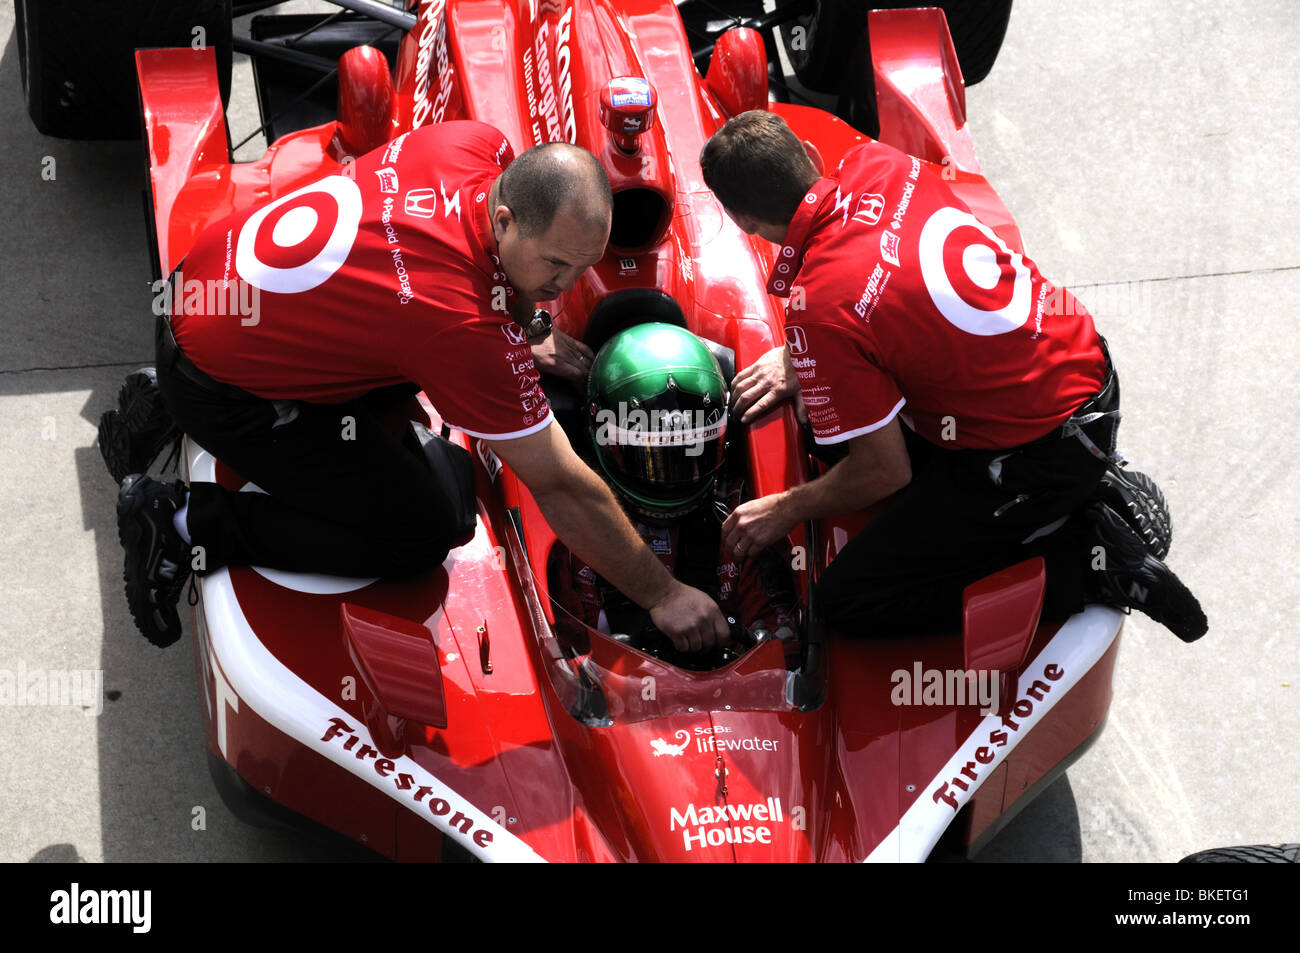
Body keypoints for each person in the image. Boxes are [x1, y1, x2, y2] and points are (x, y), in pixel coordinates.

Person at [114, 120, 728, 654]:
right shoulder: (460, 327)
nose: (564, 289)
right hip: (219, 389)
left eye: (581, 268)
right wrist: (662, 593)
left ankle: (168, 398)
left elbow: (407, 271)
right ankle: (181, 519)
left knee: (409, 390)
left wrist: (516, 314)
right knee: (426, 528)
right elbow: (560, 484)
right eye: (554, 265)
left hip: (200, 288)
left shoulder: (471, 145)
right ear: (506, 218)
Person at [698, 110, 1206, 642]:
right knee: (828, 436)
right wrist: (808, 358)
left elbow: (884, 474)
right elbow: (897, 292)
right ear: (809, 153)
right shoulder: (882, 163)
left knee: (847, 601)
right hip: (1084, 364)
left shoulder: (821, 311)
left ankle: (1091, 562)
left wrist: (783, 507)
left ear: (742, 221)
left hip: (1043, 450)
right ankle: (1082, 485)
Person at [547, 323, 800, 655]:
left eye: (689, 451)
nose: (671, 477)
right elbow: (565, 650)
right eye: (649, 454)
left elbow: (783, 641)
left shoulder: (742, 519)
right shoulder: (574, 533)